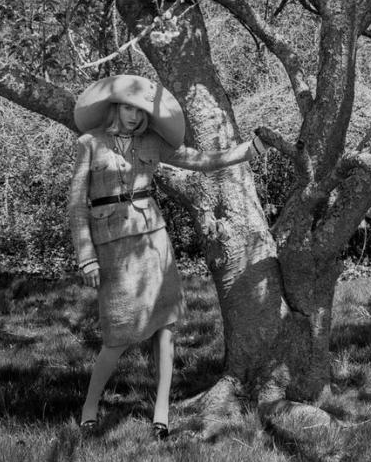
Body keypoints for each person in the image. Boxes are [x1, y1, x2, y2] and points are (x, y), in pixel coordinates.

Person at [68, 74, 259, 440]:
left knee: (166, 329)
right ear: (115, 108)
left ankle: (161, 412)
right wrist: (86, 256)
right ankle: (90, 407)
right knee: (118, 334)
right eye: (128, 108)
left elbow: (204, 161)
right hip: (113, 248)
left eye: (141, 112)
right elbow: (76, 204)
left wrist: (252, 149)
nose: (135, 117)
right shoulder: (90, 143)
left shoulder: (153, 142)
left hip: (155, 243)